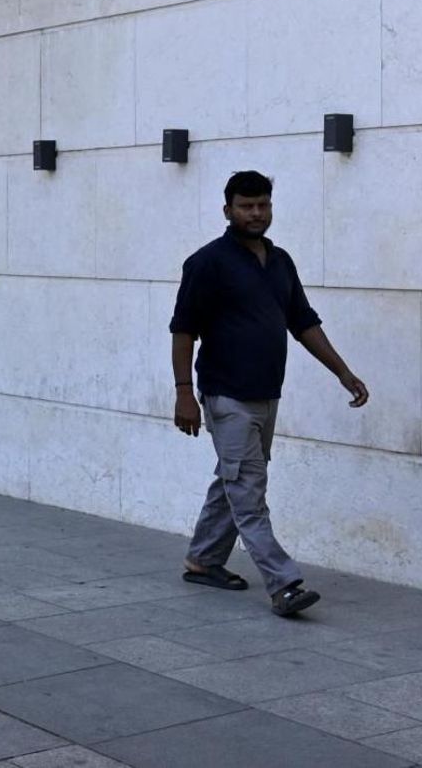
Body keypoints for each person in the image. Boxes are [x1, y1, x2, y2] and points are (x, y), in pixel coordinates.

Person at [170, 170, 369, 617]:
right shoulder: (207, 263)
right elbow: (183, 331)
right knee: (249, 489)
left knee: (234, 477)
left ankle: (203, 560)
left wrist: (343, 372)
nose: (256, 213)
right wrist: (184, 392)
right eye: (246, 206)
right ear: (228, 211)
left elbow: (303, 322)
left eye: (262, 205)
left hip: (266, 394)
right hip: (226, 394)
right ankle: (283, 584)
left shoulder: (280, 262)